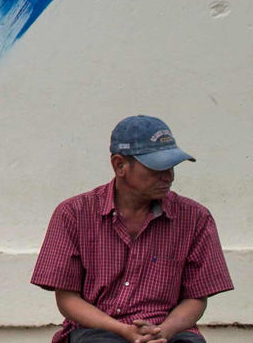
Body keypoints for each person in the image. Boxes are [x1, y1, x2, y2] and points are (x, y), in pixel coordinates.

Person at [31, 116, 233, 343]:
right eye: (158, 168)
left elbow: (196, 298)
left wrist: (163, 331)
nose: (169, 177)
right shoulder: (73, 214)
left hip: (168, 330)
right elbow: (67, 298)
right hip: (96, 330)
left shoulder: (195, 218)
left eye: (172, 167)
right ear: (120, 165)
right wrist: (123, 330)